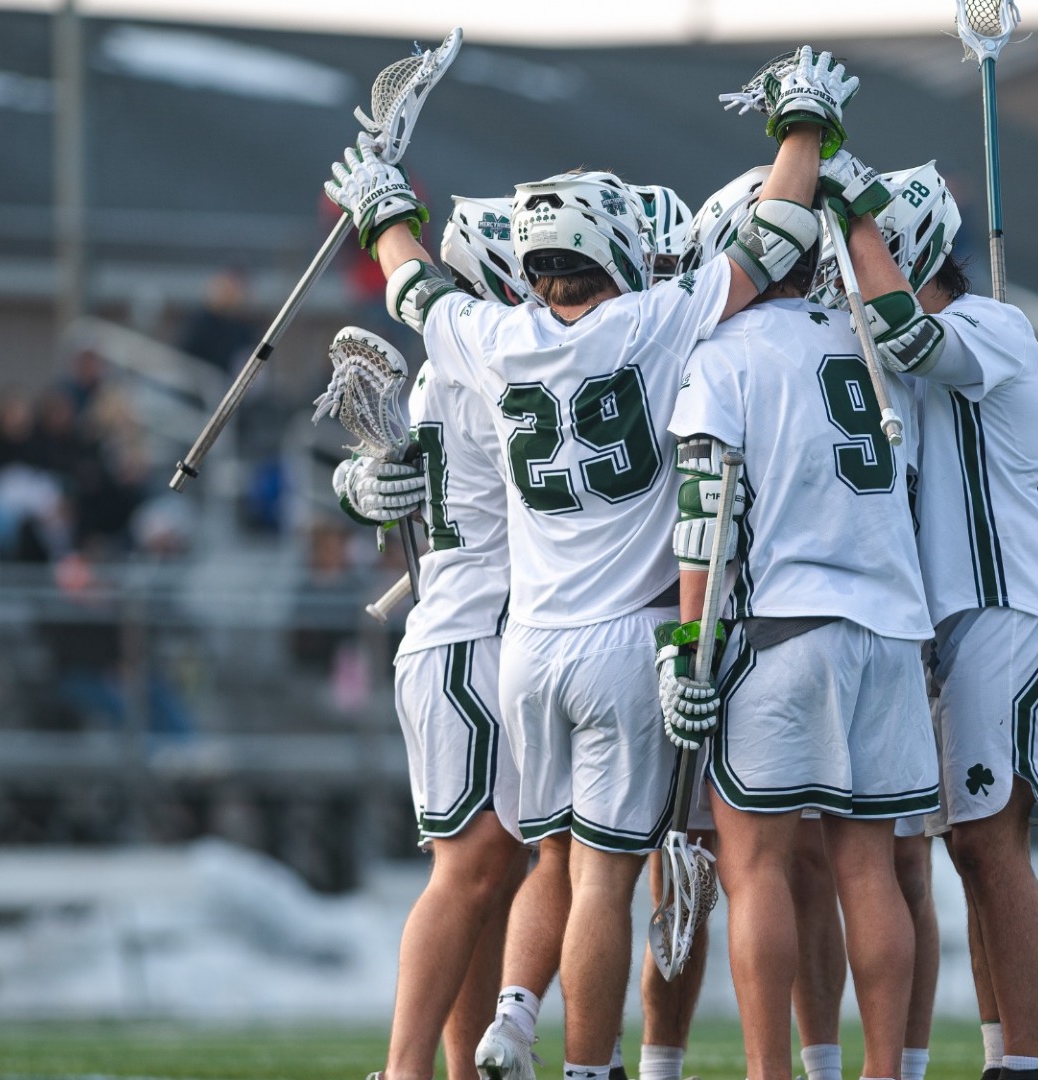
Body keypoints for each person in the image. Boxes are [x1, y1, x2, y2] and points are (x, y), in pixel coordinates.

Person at [319, 46, 845, 1080]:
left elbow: (413, 287)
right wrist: (803, 127)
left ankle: (510, 1021)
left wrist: (385, 210)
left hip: (527, 647)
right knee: (602, 880)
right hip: (623, 642)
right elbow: (778, 231)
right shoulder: (655, 323)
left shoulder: (489, 337)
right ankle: (590, 1068)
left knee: (545, 860)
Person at [662, 152, 934, 1080]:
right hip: (890, 633)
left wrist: (689, 647)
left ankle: (767, 1072)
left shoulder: (725, 356)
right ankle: (884, 1071)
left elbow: (706, 518)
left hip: (786, 628)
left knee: (758, 868)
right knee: (870, 869)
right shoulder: (863, 343)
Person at [840, 163, 1038, 1080]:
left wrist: (852, 214)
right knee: (969, 851)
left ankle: (1026, 1065)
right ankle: (999, 1058)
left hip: (1009, 606)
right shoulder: (929, 353)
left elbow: (909, 333)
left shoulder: (992, 328)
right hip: (956, 623)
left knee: (990, 843)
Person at [326, 199, 539, 1080]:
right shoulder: (496, 366)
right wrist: (357, 483)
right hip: (471, 638)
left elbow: (404, 479)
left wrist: (359, 484)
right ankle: (406, 1068)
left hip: (473, 635)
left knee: (495, 876)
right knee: (474, 869)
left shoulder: (454, 371)